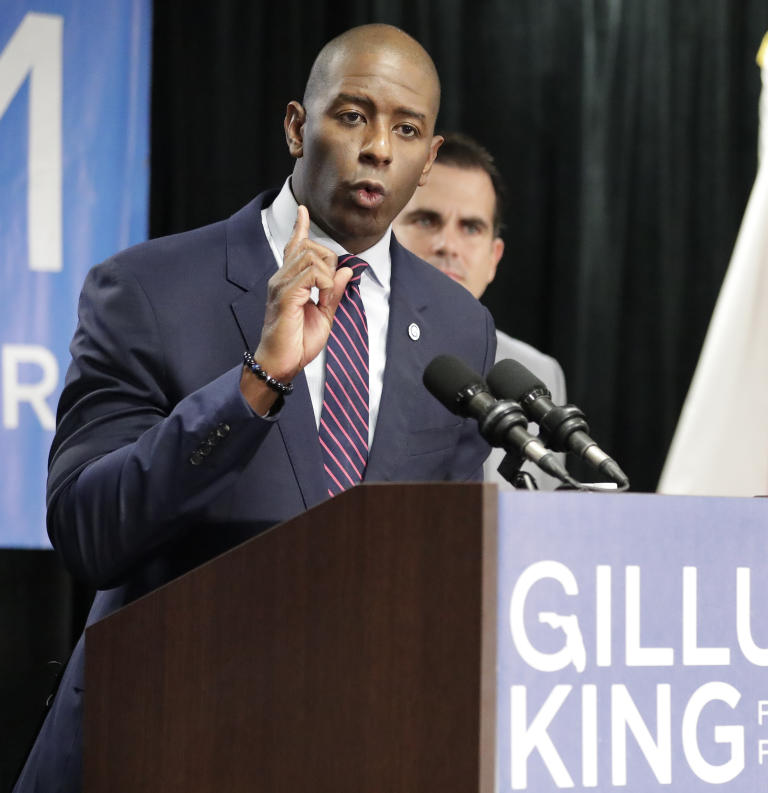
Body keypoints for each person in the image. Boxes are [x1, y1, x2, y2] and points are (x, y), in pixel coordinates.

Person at [14, 25, 495, 793]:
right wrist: (255, 384)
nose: (378, 147)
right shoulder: (147, 288)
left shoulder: (457, 324)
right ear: (297, 126)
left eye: (406, 130)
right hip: (161, 742)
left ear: (428, 159)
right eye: (353, 116)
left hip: (355, 752)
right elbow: (88, 529)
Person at [394, 133, 567, 488]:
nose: (448, 246)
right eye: (426, 220)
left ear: (494, 258)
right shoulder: (342, 350)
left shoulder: (537, 374)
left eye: (471, 228)